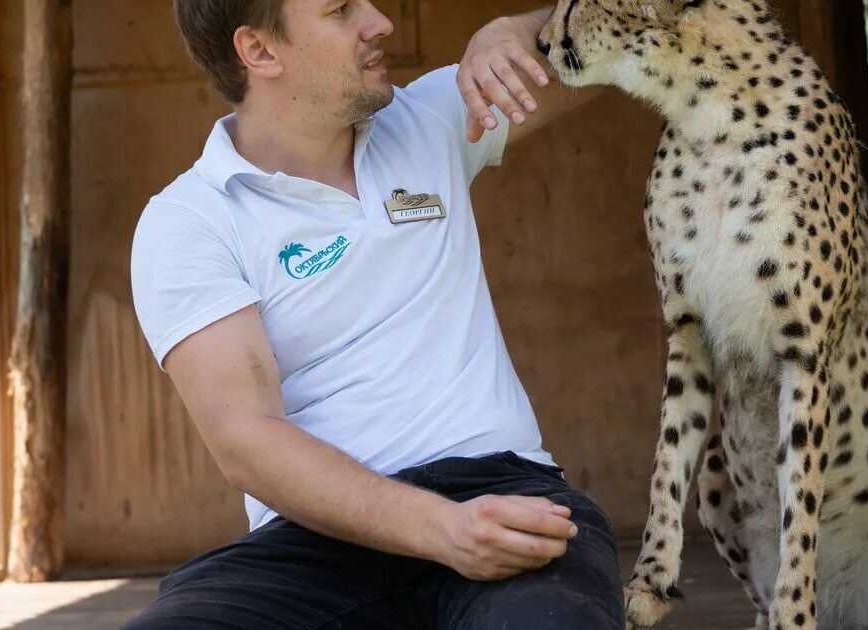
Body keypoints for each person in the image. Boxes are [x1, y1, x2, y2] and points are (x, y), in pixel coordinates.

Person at [125, 1, 619, 627]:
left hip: (502, 495)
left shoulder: (436, 117)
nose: (380, 22)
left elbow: (638, 25)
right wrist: (442, 528)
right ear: (260, 51)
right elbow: (245, 438)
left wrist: (515, 30)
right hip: (314, 539)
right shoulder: (189, 220)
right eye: (341, 10)